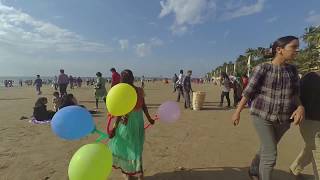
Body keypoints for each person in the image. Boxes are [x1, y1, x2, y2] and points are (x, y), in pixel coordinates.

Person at [232, 36, 304, 180]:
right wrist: (237, 112)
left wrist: (300, 107)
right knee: (271, 154)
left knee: (267, 147)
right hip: (261, 115)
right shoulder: (263, 68)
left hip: (283, 119)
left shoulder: (292, 70)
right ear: (279, 50)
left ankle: (254, 168)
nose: (297, 51)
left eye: (298, 47)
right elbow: (248, 92)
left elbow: (295, 93)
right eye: (293, 47)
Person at [108, 69, 155, 180]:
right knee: (136, 147)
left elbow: (119, 112)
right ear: (133, 78)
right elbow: (144, 106)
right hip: (138, 122)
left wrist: (114, 128)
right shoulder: (139, 90)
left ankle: (128, 173)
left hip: (126, 123)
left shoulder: (122, 91)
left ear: (122, 79)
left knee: (126, 147)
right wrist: (149, 118)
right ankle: (140, 173)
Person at [289, 71, 320, 177]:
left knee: (311, 148)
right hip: (310, 121)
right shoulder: (310, 78)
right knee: (317, 152)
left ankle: (295, 168)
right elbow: (295, 96)